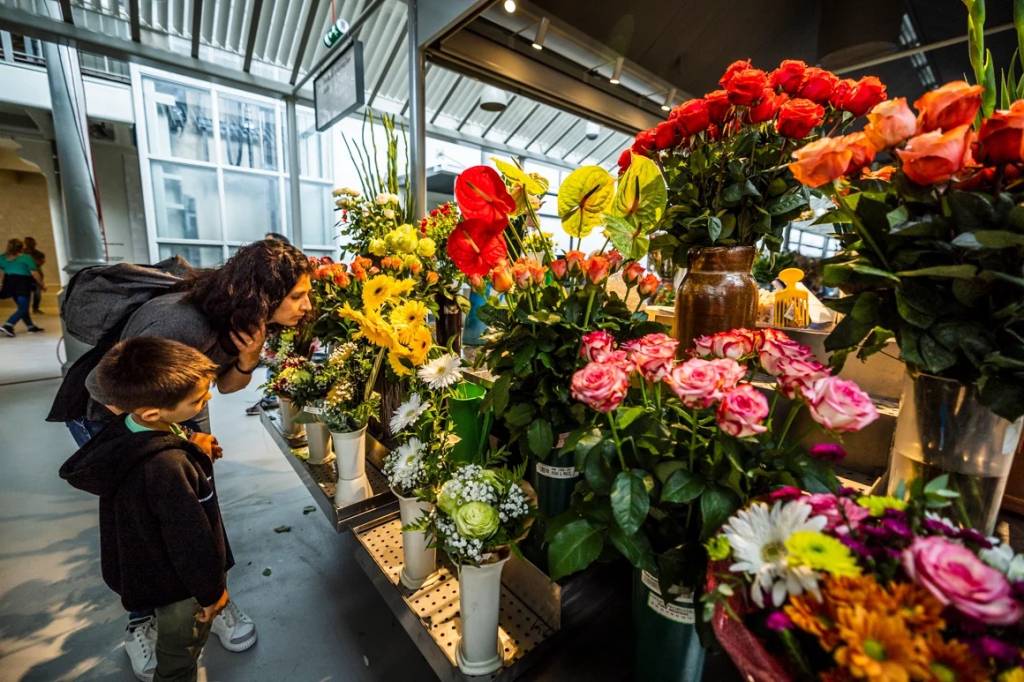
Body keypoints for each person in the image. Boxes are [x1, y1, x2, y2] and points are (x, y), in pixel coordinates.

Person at [55, 238, 312, 680]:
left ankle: (210, 600)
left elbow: (226, 387)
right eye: (297, 296)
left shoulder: (240, 320)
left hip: (173, 424)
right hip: (117, 427)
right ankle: (143, 621)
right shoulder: (178, 323)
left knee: (197, 509)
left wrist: (247, 359)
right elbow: (104, 388)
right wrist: (166, 439)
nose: (307, 305)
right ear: (265, 295)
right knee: (141, 533)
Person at [60, 338, 231, 682]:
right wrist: (211, 593)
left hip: (147, 569)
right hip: (182, 588)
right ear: (153, 413)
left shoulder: (127, 431)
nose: (207, 399)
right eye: (197, 399)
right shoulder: (167, 467)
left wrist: (187, 438)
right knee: (180, 651)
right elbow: (190, 538)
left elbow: (163, 433)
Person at [0, 238, 45, 336]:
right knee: (23, 308)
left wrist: (1, 284)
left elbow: (2, 272)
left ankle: (30, 326)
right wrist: (41, 284)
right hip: (22, 283)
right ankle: (8, 325)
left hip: (9, 283)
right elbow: (34, 273)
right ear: (21, 247)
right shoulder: (26, 258)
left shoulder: (2, 258)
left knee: (22, 307)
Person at [24, 236, 46, 313]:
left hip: (35, 275)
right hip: (25, 276)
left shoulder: (39, 253)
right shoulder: (21, 253)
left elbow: (40, 262)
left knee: (37, 294)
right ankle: (26, 309)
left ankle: (35, 308)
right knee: (26, 294)